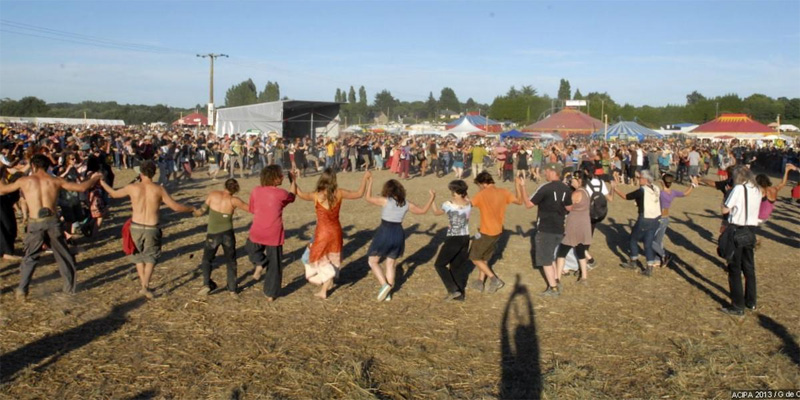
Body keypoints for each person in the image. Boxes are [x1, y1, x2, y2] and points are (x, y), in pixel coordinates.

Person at [0, 154, 102, 300]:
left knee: (30, 257)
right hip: (52, 221)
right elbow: (82, 187)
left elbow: (2, 190)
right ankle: (69, 289)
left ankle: (22, 289)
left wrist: (2, 172)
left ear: (33, 166)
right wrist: (95, 178)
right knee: (63, 256)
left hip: (35, 222)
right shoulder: (55, 180)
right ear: (48, 166)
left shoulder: (25, 181)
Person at [100, 160, 196, 299]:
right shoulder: (159, 189)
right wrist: (191, 208)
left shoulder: (132, 187)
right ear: (154, 173)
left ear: (141, 173)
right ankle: (145, 286)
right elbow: (175, 207)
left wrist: (102, 183)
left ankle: (143, 285)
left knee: (138, 256)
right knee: (151, 257)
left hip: (136, 226)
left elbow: (113, 194)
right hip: (152, 227)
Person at [294, 169, 370, 299]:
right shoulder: (339, 193)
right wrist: (365, 178)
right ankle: (328, 283)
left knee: (315, 257)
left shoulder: (316, 195)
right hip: (335, 230)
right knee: (331, 257)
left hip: (322, 231)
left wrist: (293, 180)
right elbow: (359, 193)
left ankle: (324, 288)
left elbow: (299, 193)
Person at [364, 178, 435, 301]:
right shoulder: (406, 204)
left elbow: (368, 198)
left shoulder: (386, 201)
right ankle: (388, 294)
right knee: (391, 264)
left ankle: (384, 285)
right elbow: (423, 211)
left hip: (385, 231)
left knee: (373, 261)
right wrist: (431, 198)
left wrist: (370, 183)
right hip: (398, 233)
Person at [519, 163, 572, 296]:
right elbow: (569, 208)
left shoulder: (545, 188)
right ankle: (555, 281)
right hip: (560, 228)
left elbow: (528, 204)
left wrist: (522, 186)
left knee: (545, 260)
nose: (544, 174)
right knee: (551, 257)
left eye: (546, 171)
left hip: (546, 229)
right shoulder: (566, 189)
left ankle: (553, 288)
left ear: (552, 172)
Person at [468, 171, 523, 294]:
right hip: (497, 231)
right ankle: (480, 281)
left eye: (479, 185)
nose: (479, 188)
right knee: (485, 258)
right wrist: (517, 185)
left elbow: (467, 205)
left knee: (474, 257)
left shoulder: (482, 194)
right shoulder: (503, 192)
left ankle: (494, 279)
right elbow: (520, 201)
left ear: (483, 183)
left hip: (485, 231)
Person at [193, 178, 251, 296]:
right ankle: (232, 289)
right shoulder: (234, 200)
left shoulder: (213, 195)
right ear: (235, 189)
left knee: (207, 259)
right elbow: (250, 208)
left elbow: (201, 211)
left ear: (225, 185)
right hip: (227, 234)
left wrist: (193, 211)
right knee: (231, 261)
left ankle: (206, 283)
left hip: (212, 234)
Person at [247, 165, 296, 301]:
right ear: (274, 179)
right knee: (275, 265)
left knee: (250, 248)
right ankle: (271, 293)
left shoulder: (256, 191)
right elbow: (292, 197)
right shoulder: (281, 194)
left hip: (257, 232)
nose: (282, 177)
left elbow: (252, 209)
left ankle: (260, 262)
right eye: (280, 175)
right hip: (274, 234)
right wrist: (293, 181)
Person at [720, 165, 761, 316]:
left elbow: (725, 209)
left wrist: (726, 194)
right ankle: (751, 301)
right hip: (751, 231)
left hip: (737, 229)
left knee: (734, 269)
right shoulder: (757, 189)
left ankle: (738, 306)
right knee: (749, 268)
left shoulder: (738, 189)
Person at [614, 170, 661, 276]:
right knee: (648, 243)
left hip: (645, 218)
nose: (638, 179)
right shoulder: (656, 188)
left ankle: (633, 261)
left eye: (640, 178)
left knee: (633, 239)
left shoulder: (642, 190)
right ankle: (649, 267)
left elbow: (626, 197)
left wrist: (615, 189)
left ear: (645, 179)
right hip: (656, 218)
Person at [430, 180, 471, 301]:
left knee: (439, 264)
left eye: (452, 190)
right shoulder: (469, 203)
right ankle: (460, 294)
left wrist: (432, 199)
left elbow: (436, 212)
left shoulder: (448, 204)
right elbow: (467, 198)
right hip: (465, 237)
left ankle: (453, 290)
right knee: (456, 267)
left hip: (454, 237)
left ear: (455, 191)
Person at [555, 170, 592, 286]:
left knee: (562, 252)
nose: (571, 181)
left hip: (574, 225)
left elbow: (565, 206)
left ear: (579, 180)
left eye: (573, 179)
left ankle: (557, 278)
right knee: (580, 250)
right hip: (584, 225)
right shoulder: (585, 192)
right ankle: (584, 277)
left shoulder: (576, 194)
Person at [652, 173, 696, 267]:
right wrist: (692, 185)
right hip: (666, 218)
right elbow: (685, 193)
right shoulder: (672, 193)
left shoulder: (660, 193)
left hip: (659, 218)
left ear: (663, 182)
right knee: (658, 240)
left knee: (651, 240)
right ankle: (657, 259)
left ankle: (664, 254)